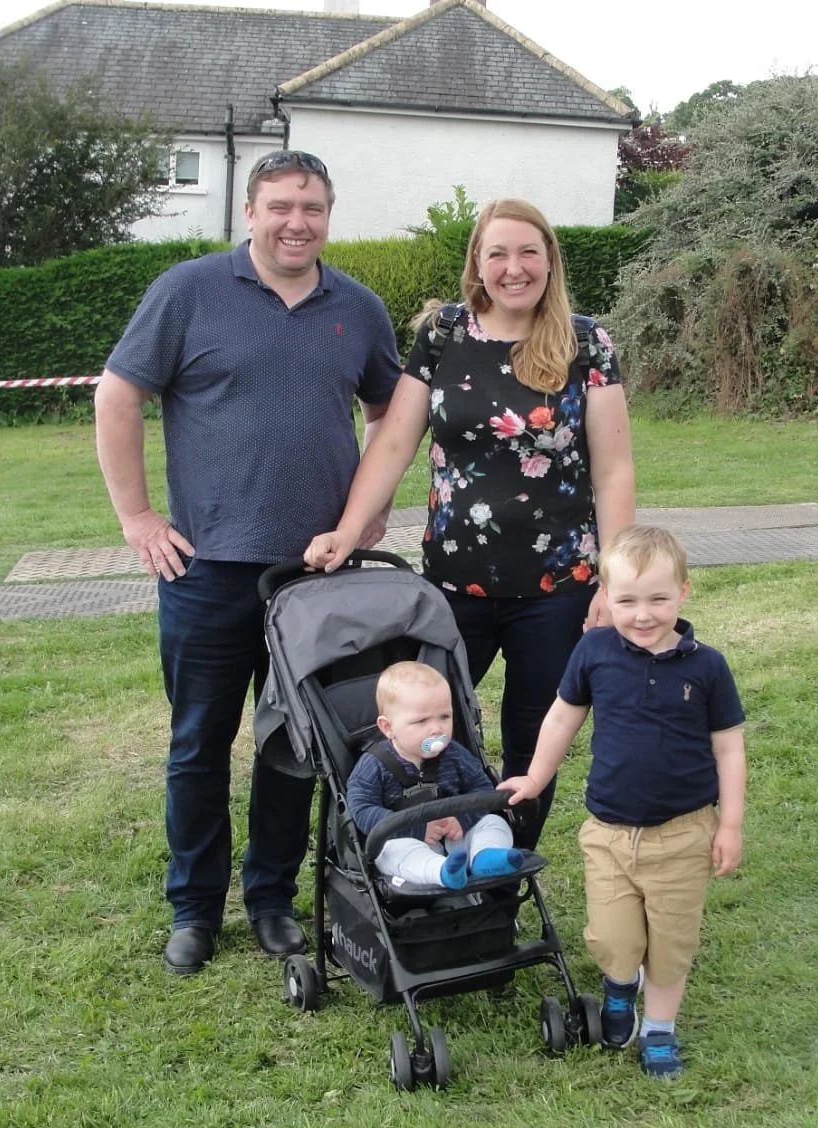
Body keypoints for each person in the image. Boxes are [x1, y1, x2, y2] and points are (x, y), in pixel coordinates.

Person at [94, 150, 401, 977]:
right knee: (197, 745)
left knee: (293, 746)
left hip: (316, 578)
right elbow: (117, 396)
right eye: (280, 205)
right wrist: (136, 516)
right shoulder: (187, 292)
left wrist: (365, 511)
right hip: (205, 570)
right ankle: (194, 910)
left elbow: (389, 412)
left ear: (328, 215)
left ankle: (270, 901)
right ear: (249, 212)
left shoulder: (360, 309)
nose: (296, 221)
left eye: (312, 207)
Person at [304, 198, 635, 850]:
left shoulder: (586, 341)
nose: (514, 268)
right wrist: (348, 527)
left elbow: (614, 472)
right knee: (424, 730)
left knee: (532, 741)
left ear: (550, 261)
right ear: (477, 265)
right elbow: (395, 442)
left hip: (559, 588)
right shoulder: (445, 335)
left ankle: (502, 879)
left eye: (528, 253)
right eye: (498, 254)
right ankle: (421, 862)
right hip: (453, 586)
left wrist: (614, 582)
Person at [500, 525, 747, 1079]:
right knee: (612, 939)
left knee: (671, 944)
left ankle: (659, 1029)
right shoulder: (593, 651)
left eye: (658, 599)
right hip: (608, 832)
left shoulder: (707, 667)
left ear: (683, 592)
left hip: (683, 834)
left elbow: (728, 748)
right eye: (627, 600)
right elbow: (564, 715)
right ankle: (619, 985)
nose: (642, 614)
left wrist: (729, 824)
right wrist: (536, 777)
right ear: (605, 597)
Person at [347, 662, 526, 889]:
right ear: (388, 727)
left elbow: (482, 788)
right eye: (421, 721)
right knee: (390, 851)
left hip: (455, 836)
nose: (436, 729)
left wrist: (462, 820)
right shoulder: (374, 765)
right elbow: (362, 809)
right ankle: (442, 872)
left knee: (493, 822)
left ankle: (485, 858)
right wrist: (417, 829)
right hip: (408, 841)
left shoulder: (455, 755)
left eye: (444, 717)